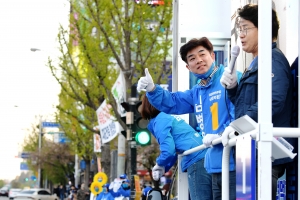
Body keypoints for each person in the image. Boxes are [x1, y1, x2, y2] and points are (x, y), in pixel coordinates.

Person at [137, 37, 241, 200]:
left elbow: (243, 113)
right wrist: (152, 89)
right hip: (213, 163)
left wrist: (223, 134)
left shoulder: (230, 78)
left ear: (212, 56)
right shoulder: (197, 91)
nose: (199, 60)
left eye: (202, 54)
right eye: (192, 58)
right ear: (188, 67)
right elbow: (173, 102)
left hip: (237, 160)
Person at [220, 4, 295, 200]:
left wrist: (237, 126)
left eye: (245, 28)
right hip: (250, 150)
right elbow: (245, 103)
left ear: (264, 28)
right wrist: (233, 89)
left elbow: (274, 101)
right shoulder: (256, 62)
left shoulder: (273, 61)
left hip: (267, 153)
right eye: (239, 29)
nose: (241, 35)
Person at [139, 94, 212, 200]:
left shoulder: (159, 120)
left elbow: (168, 151)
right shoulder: (167, 116)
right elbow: (172, 151)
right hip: (205, 156)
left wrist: (159, 163)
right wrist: (164, 168)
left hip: (196, 159)